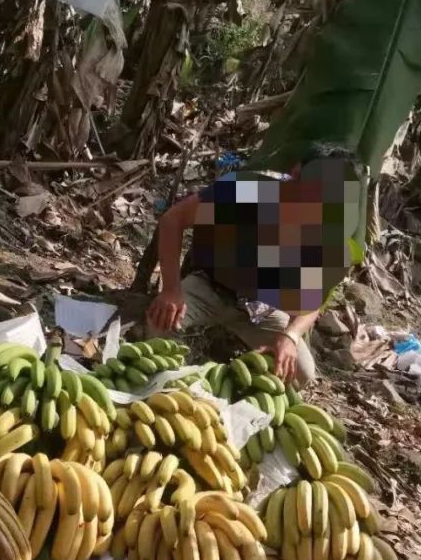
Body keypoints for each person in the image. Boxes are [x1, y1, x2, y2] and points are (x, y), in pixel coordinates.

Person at [146, 143, 365, 385]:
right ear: (296, 172)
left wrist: (291, 335)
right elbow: (173, 220)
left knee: (300, 374)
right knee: (160, 328)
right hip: (210, 287)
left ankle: (236, 389)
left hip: (263, 309)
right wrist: (171, 290)